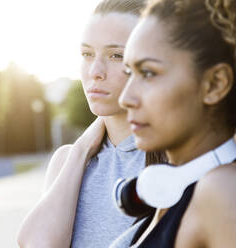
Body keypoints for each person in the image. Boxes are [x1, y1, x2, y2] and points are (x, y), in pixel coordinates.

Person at [111, 0, 236, 247]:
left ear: (215, 84)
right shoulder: (183, 191)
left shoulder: (227, 190)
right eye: (129, 73)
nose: (125, 98)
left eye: (148, 73)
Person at [16, 0, 167, 247]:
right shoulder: (69, 160)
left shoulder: (180, 160)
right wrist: (81, 150)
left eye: (116, 55)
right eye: (87, 54)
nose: (95, 71)